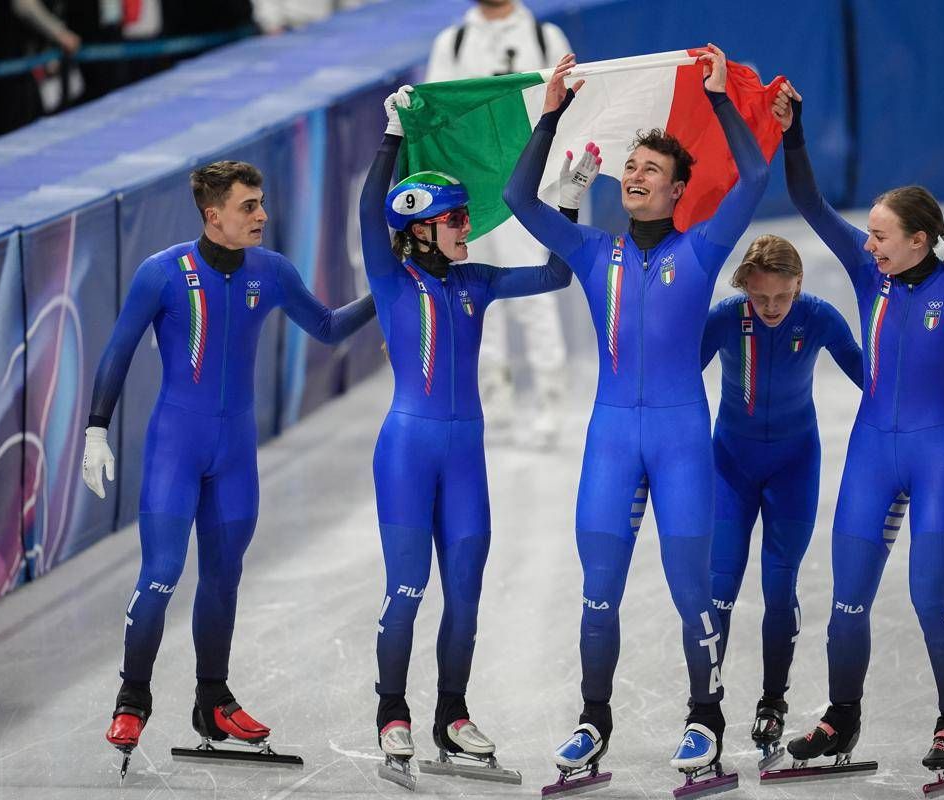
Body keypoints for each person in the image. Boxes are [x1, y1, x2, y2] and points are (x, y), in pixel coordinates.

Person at [504, 47, 770, 784]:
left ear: (679, 189)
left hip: (681, 441)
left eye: (652, 169)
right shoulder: (593, 251)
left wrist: (719, 98)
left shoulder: (703, 248)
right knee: (598, 592)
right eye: (631, 166)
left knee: (691, 590)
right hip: (613, 439)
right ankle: (593, 720)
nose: (636, 174)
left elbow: (754, 178)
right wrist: (551, 116)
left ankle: (705, 718)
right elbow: (520, 199)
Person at [771, 79, 944, 783]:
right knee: (846, 602)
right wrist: (793, 130)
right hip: (871, 453)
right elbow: (808, 201)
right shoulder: (871, 275)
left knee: (929, 597)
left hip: (938, 455)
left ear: (920, 240)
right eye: (869, 235)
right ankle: (841, 717)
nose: (869, 244)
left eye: (881, 235)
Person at [81, 160, 377, 775]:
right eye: (249, 206)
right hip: (176, 447)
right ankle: (132, 697)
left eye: (261, 202)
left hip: (236, 454)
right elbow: (117, 351)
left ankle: (212, 702)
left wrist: (388, 291)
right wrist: (95, 432)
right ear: (213, 215)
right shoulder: (162, 273)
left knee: (223, 578)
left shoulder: (272, 271)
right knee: (161, 574)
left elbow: (327, 328)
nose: (262, 214)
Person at [360, 86, 592, 787]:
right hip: (407, 454)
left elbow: (556, 272)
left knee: (465, 596)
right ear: (419, 229)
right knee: (407, 589)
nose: (468, 225)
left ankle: (451, 715)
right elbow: (369, 213)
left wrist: (569, 203)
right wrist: (391, 137)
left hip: (464, 461)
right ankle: (392, 712)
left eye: (465, 215)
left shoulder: (477, 282)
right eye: (455, 218)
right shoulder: (391, 279)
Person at [699, 233, 861, 765]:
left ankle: (773, 702)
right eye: (760, 296)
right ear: (744, 286)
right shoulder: (725, 318)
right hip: (730, 466)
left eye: (782, 297)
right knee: (719, 589)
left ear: (799, 285)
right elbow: (672, 383)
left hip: (794, 466)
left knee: (778, 586)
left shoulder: (818, 317)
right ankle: (704, 709)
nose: (771, 308)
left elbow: (872, 379)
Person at [425, 0, 575, 446]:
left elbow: (571, 107)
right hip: (470, 192)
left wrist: (554, 180)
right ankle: (493, 396)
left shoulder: (544, 37)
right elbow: (434, 114)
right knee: (472, 292)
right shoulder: (453, 42)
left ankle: (550, 397)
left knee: (534, 290)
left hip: (524, 187)